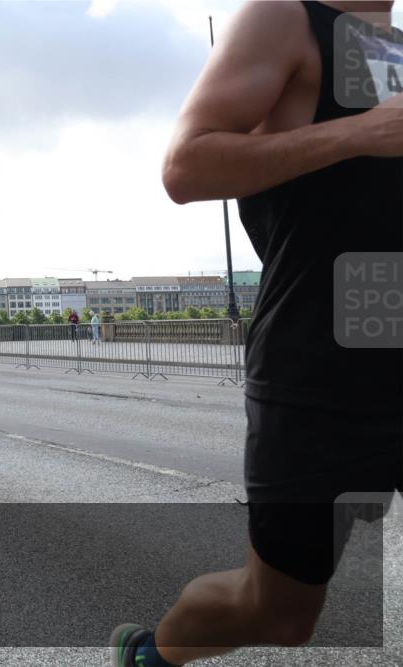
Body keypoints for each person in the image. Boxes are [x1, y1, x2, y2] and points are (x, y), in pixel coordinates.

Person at [111, 2, 403, 666]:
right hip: (319, 376)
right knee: (280, 612)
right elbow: (186, 165)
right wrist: (357, 133)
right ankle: (151, 654)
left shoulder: (397, 48)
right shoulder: (284, 17)